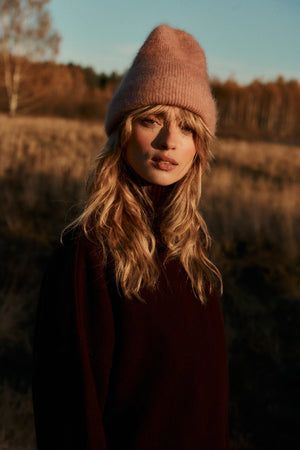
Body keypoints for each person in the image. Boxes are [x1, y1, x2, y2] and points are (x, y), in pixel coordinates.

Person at [32, 24, 230, 450]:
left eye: (188, 127)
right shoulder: (87, 253)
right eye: (151, 118)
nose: (169, 140)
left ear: (200, 147)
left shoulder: (194, 254)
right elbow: (70, 418)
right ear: (123, 131)